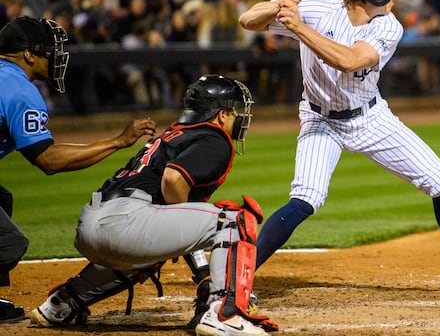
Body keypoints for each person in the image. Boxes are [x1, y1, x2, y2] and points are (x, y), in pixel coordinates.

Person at [238, 0, 440, 296]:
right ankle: (239, 275)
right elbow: (248, 19)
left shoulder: (388, 25)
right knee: (306, 198)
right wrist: (278, 7)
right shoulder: (321, 8)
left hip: (369, 117)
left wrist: (298, 27)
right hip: (320, 120)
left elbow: (350, 61)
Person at [30, 74, 279, 336]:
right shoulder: (214, 137)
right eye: (234, 111)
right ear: (220, 115)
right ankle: (224, 314)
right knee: (234, 218)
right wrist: (198, 262)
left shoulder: (173, 136)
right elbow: (173, 179)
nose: (239, 118)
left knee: (152, 250)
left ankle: (63, 302)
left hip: (93, 225)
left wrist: (201, 270)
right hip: (126, 221)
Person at [0, 16, 156, 324]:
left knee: (1, 199)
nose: (56, 56)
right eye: (49, 50)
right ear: (30, 55)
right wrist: (117, 142)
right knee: (9, 242)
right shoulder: (19, 89)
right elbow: (48, 160)